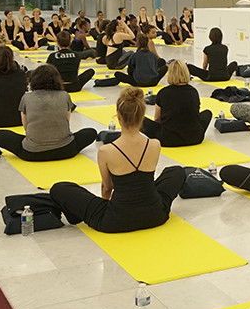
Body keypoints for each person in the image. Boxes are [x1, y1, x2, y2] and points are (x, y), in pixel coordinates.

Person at [50, 87, 185, 233]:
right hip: (156, 214)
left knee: (59, 188)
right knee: (177, 171)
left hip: (116, 220)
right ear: (142, 116)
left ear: (118, 116)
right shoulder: (154, 144)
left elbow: (107, 188)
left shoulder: (106, 151)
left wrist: (104, 207)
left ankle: (76, 215)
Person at [0, 65, 97, 162]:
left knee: (0, 135)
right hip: (66, 150)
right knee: (91, 132)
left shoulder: (27, 97)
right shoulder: (65, 95)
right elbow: (66, 120)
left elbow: (26, 126)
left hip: (32, 153)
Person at [141, 61, 212, 147]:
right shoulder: (193, 92)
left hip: (167, 139)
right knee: (207, 113)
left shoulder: (163, 93)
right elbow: (194, 114)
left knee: (140, 120)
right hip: (194, 137)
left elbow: (157, 118)